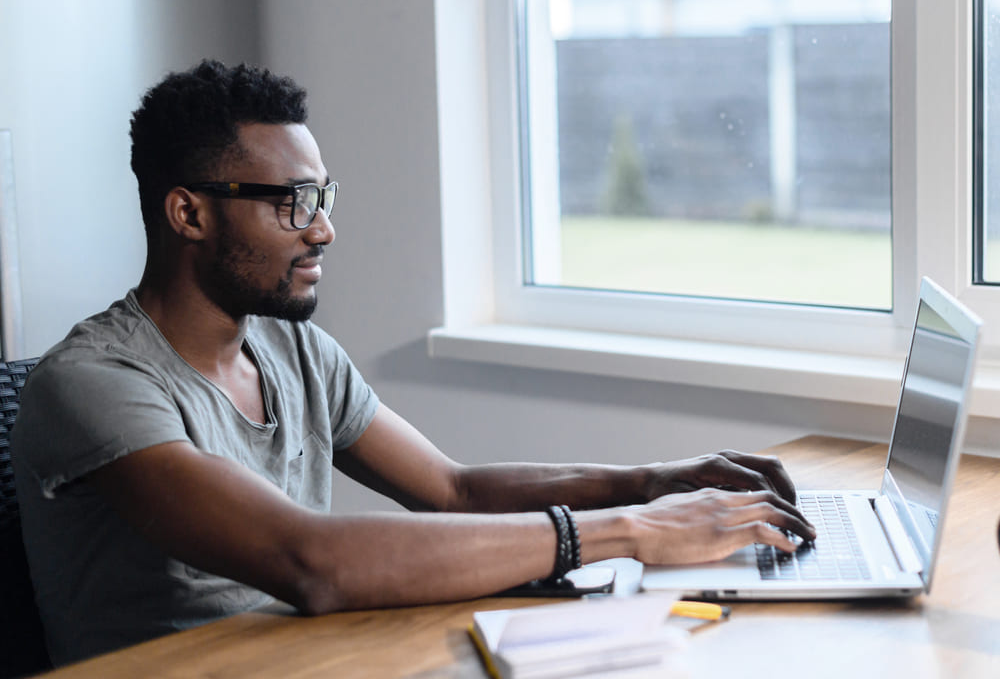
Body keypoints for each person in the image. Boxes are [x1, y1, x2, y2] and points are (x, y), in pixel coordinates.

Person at [12, 60, 815, 667]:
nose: (321, 231)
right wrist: (628, 532)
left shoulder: (291, 349)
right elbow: (312, 562)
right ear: (188, 212)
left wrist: (646, 482)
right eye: (292, 202)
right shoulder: (93, 386)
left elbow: (454, 490)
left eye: (324, 199)